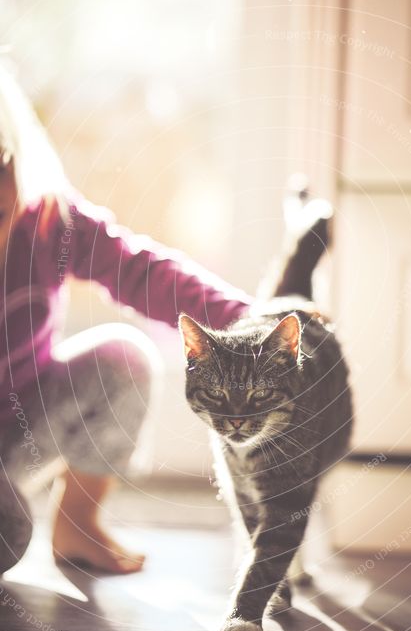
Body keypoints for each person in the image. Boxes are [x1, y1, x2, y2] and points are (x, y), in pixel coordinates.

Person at [0, 62, 252, 575]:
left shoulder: (49, 220)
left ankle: (76, 521)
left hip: (22, 427)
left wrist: (247, 320)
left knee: (124, 360)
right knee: (11, 533)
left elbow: (143, 272)